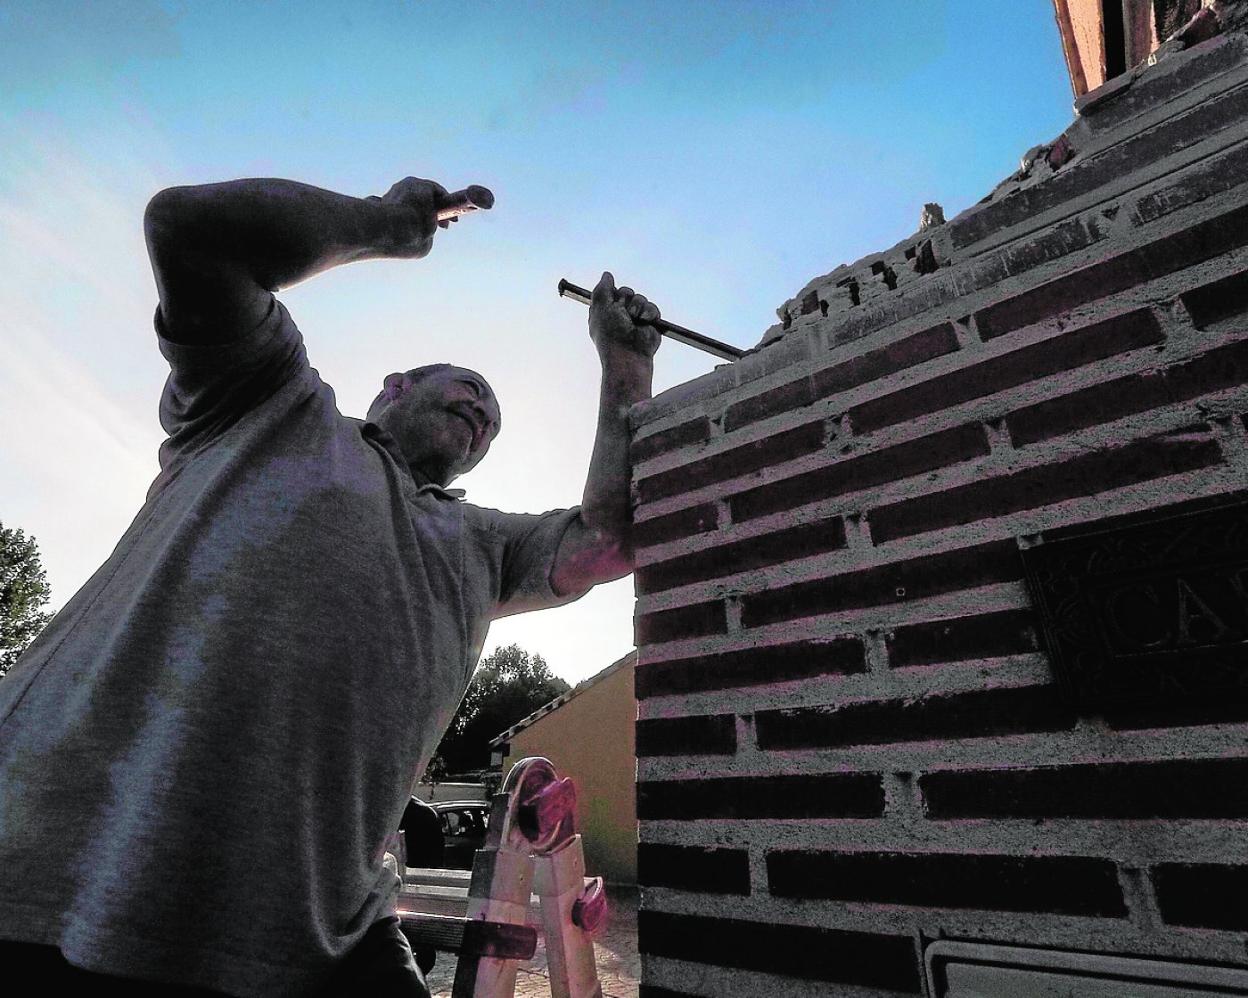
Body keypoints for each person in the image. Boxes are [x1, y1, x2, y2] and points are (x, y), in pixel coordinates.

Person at [0, 176, 661, 996]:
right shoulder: (267, 400)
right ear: (394, 386)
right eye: (468, 388)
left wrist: (625, 367)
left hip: (320, 926)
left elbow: (611, 536)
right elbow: (192, 231)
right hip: (43, 864)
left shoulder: (485, 541)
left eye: (493, 419)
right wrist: (390, 224)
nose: (484, 411)